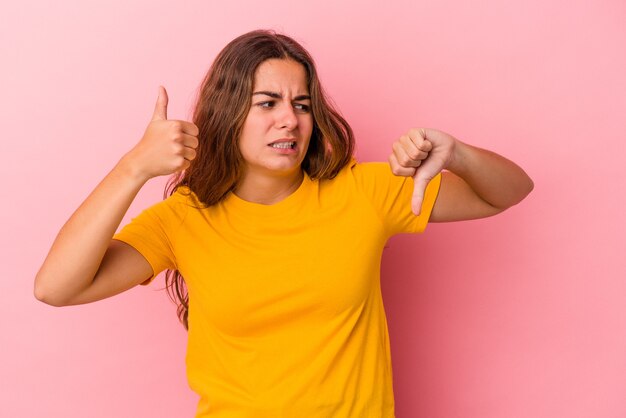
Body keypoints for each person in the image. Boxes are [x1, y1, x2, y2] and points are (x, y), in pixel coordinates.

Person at [34, 29, 533, 417]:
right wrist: (134, 167)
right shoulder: (183, 218)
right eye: (266, 103)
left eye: (300, 104)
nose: (289, 120)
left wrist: (459, 153)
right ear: (228, 114)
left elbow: (508, 193)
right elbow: (56, 287)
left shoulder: (363, 190)